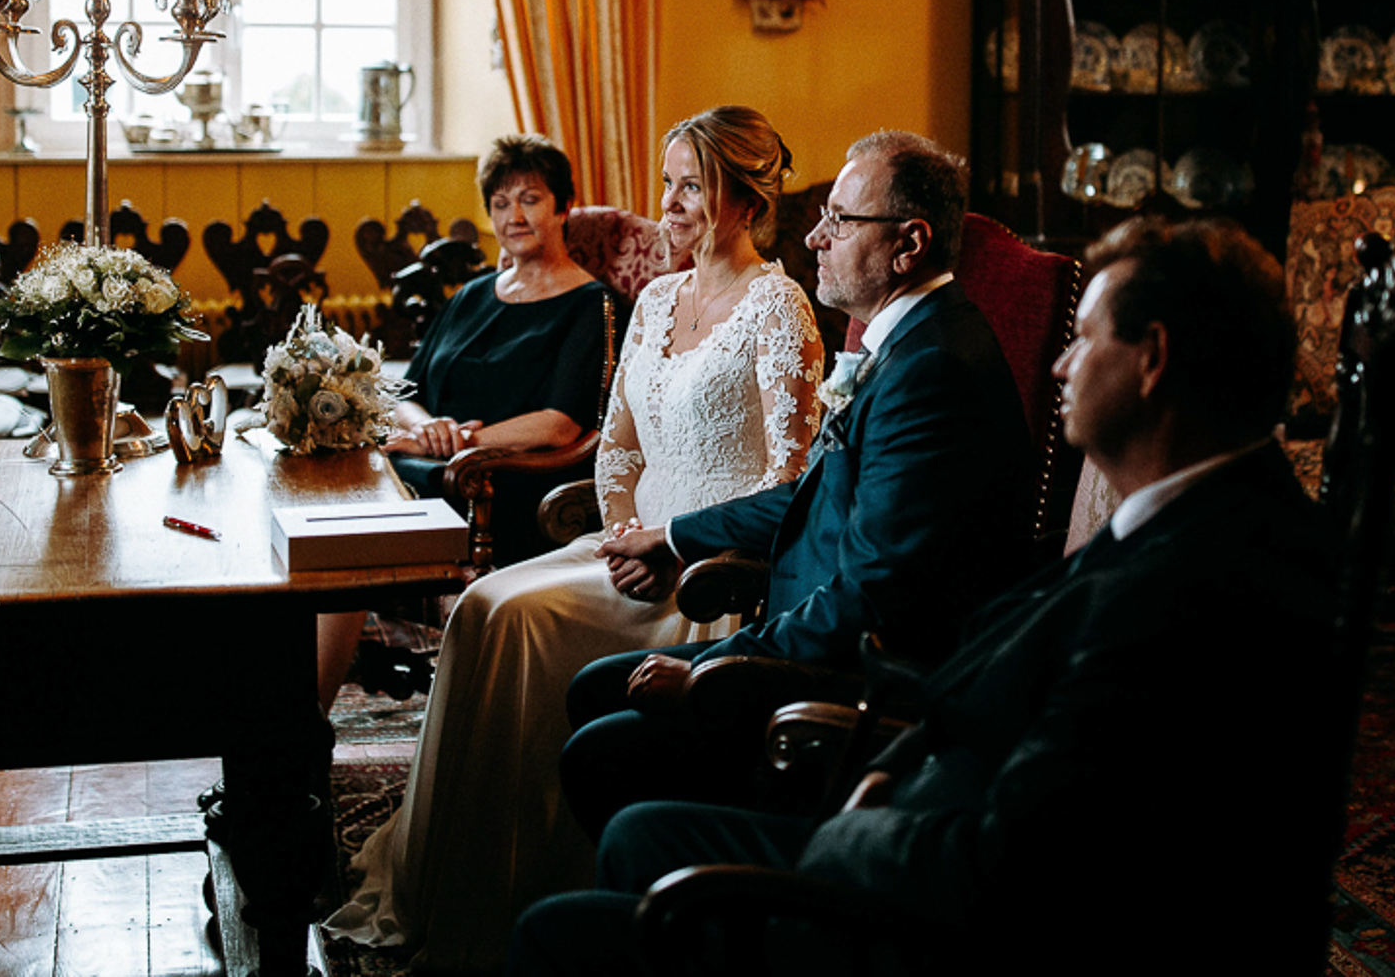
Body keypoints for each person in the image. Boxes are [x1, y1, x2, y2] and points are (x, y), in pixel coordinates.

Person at [510, 216, 1341, 977]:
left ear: (1152, 359)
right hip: (925, 788)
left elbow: (1016, 864)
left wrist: (852, 826)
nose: (1059, 366)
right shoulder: (1190, 514)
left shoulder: (1194, 585)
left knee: (559, 928)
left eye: (1084, 341)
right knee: (635, 832)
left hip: (932, 915)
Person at [323, 107, 825, 974]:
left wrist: (668, 546)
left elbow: (792, 485)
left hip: (709, 573)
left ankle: (530, 881)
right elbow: (618, 445)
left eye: (691, 186)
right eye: (666, 181)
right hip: (625, 545)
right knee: (483, 604)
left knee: (510, 616)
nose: (669, 203)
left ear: (745, 201)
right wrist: (622, 529)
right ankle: (466, 875)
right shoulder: (658, 299)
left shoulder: (780, 309)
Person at [558, 130, 1035, 841]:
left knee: (598, 747)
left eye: (840, 220)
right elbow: (808, 495)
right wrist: (675, 535)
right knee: (592, 688)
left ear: (908, 245)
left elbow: (871, 592)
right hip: (807, 627)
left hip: (855, 681)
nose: (815, 236)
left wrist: (721, 664)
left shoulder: (935, 370)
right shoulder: (903, 341)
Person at [315, 134, 612, 706]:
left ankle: (307, 722)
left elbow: (561, 425)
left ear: (564, 206)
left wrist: (462, 441)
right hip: (433, 465)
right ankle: (301, 715)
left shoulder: (591, 304)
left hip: (507, 485)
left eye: (529, 199)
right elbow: (406, 389)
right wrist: (427, 428)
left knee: (346, 529)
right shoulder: (473, 294)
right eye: (500, 204)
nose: (513, 216)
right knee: (329, 512)